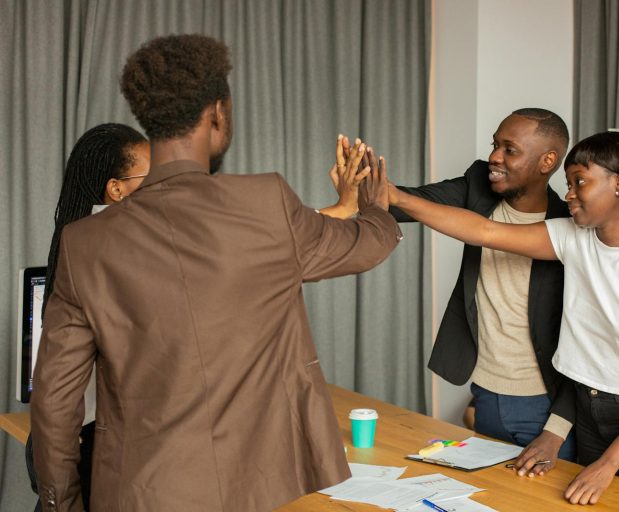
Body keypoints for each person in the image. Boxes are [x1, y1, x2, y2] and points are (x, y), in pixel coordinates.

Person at [31, 34, 400, 512]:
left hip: (137, 494)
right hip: (258, 489)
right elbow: (367, 245)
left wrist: (62, 505)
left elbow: (55, 401)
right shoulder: (266, 203)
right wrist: (374, 206)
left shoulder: (84, 244)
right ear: (218, 113)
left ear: (149, 118)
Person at [387, 131, 619, 505]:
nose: (568, 194)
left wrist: (607, 464)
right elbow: (484, 230)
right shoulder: (573, 238)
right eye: (568, 183)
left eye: (580, 182)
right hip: (588, 413)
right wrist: (396, 197)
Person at [338, 109, 577, 470]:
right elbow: (401, 203)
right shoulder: (477, 186)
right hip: (485, 395)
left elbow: (588, 344)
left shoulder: (569, 228)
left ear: (547, 161)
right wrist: (360, 190)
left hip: (546, 408)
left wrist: (557, 428)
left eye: (509, 150)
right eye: (495, 145)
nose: (495, 156)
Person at [25, 122, 149, 512]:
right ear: (117, 189)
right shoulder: (116, 254)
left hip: (72, 447)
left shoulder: (82, 241)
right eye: (154, 177)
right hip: (92, 454)